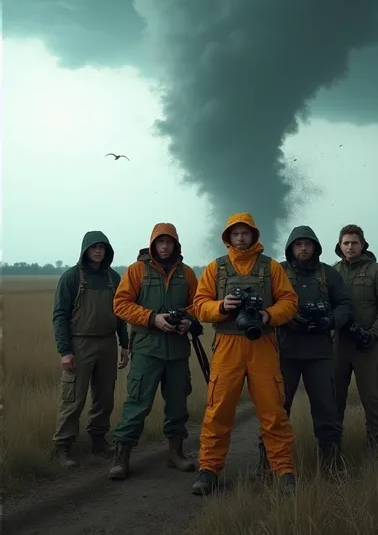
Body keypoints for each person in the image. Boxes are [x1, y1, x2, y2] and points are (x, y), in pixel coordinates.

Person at [190, 212, 298, 496]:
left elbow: (289, 302)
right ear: (228, 237)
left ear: (253, 235)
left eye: (245, 233)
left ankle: (284, 471)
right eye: (235, 233)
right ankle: (208, 471)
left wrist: (267, 314)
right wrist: (222, 307)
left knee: (273, 411)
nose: (240, 238)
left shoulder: (271, 267)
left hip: (263, 344)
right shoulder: (216, 269)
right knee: (218, 410)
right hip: (227, 344)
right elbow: (199, 306)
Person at [256, 225, 352, 475]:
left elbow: (344, 305)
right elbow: (264, 304)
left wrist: (328, 320)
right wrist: (285, 317)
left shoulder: (328, 274)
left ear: (315, 247)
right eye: (298, 244)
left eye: (307, 244)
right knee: (276, 408)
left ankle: (331, 463)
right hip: (284, 351)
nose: (303, 248)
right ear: (290, 247)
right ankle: (268, 462)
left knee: (326, 408)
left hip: (319, 352)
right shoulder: (278, 271)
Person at [109, 223, 199, 480]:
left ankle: (175, 453)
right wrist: (152, 318)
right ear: (152, 244)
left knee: (178, 405)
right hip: (147, 350)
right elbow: (121, 304)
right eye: (160, 242)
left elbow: (199, 303)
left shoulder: (187, 273)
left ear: (176, 245)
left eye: (169, 242)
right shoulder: (137, 270)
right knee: (137, 403)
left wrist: (188, 320)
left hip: (178, 351)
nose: (164, 246)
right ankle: (121, 456)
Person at [52, 231, 130, 467]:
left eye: (102, 248)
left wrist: (124, 344)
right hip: (80, 343)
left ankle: (98, 440)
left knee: (105, 397)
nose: (98, 251)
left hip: (107, 343)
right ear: (85, 249)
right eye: (94, 247)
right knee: (73, 398)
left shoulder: (113, 278)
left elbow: (121, 314)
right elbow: (60, 315)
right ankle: (63, 448)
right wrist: (65, 351)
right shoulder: (72, 277)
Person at [333, 224, 378, 448]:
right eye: (346, 243)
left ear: (363, 245)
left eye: (354, 243)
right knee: (333, 402)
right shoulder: (333, 271)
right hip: (338, 346)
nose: (350, 247)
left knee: (375, 402)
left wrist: (374, 334)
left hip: (368, 346)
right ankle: (332, 453)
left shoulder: (376, 271)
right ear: (339, 246)